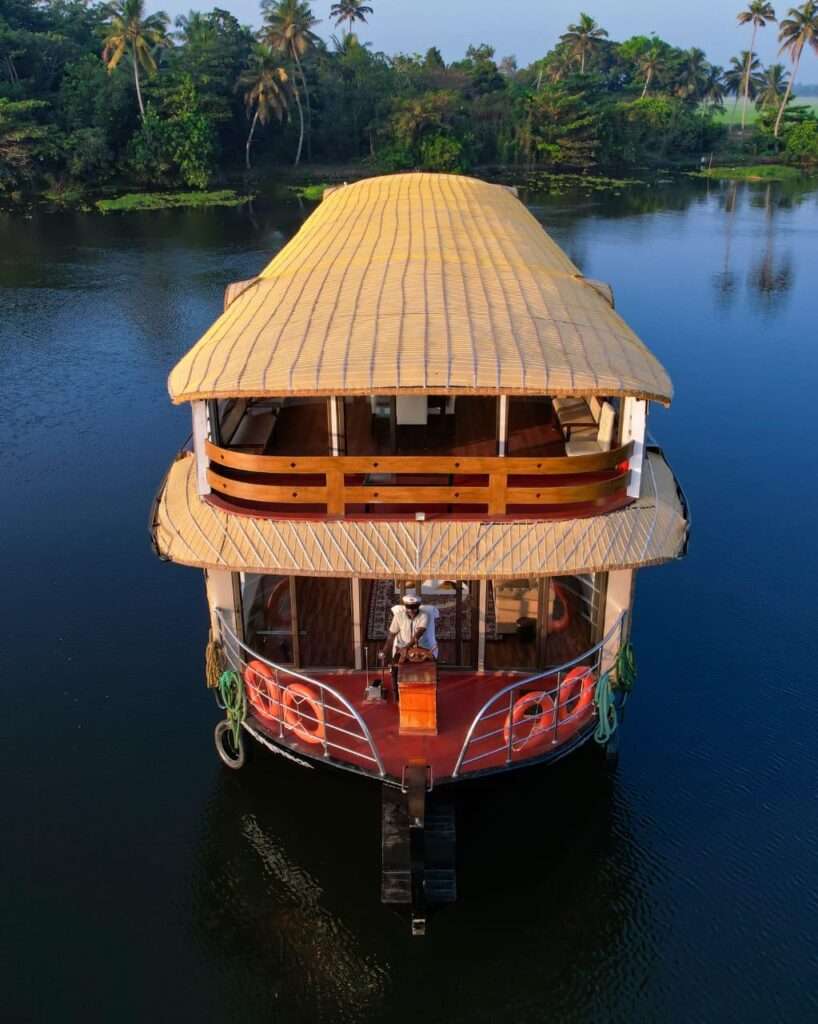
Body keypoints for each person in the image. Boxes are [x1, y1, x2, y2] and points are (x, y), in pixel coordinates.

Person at [379, 592, 439, 690]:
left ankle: (429, 691)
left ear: (418, 606)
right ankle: (397, 695)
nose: (411, 610)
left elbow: (418, 634)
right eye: (408, 607)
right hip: (402, 647)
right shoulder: (398, 616)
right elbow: (391, 636)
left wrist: (406, 648)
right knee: (395, 669)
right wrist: (385, 651)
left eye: (414, 607)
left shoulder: (424, 615)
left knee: (432, 669)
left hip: (423, 647)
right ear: (405, 606)